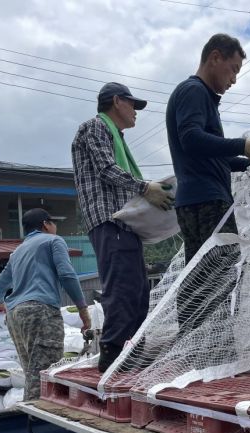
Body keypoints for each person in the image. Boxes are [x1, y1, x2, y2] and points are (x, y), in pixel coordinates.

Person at [72, 82, 174, 372]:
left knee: (139, 289)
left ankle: (134, 349)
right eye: (133, 105)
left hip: (123, 222)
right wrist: (145, 188)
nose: (136, 113)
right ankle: (114, 354)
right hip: (109, 219)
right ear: (117, 102)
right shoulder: (94, 127)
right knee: (122, 286)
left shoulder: (115, 135)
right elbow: (106, 168)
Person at [166, 33, 250, 263]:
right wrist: (244, 145)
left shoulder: (202, 97)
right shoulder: (194, 90)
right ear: (215, 57)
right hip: (206, 202)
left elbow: (214, 157)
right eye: (234, 69)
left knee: (205, 281)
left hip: (202, 201)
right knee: (216, 280)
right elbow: (191, 139)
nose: (234, 80)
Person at [0, 208, 92, 400]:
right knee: (47, 373)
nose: (55, 227)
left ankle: (31, 418)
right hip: (40, 311)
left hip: (15, 315)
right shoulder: (54, 241)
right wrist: (82, 309)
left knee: (32, 371)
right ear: (46, 224)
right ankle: (39, 420)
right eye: (54, 223)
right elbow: (67, 275)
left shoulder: (17, 252)